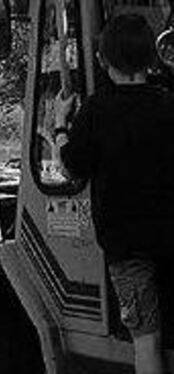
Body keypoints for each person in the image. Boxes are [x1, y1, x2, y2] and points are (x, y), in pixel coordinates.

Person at [55, 14, 174, 374]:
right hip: (171, 239)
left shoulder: (96, 110)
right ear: (153, 59)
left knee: (146, 342)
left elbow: (70, 168)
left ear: (102, 62)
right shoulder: (169, 105)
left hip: (126, 248)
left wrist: (61, 124)